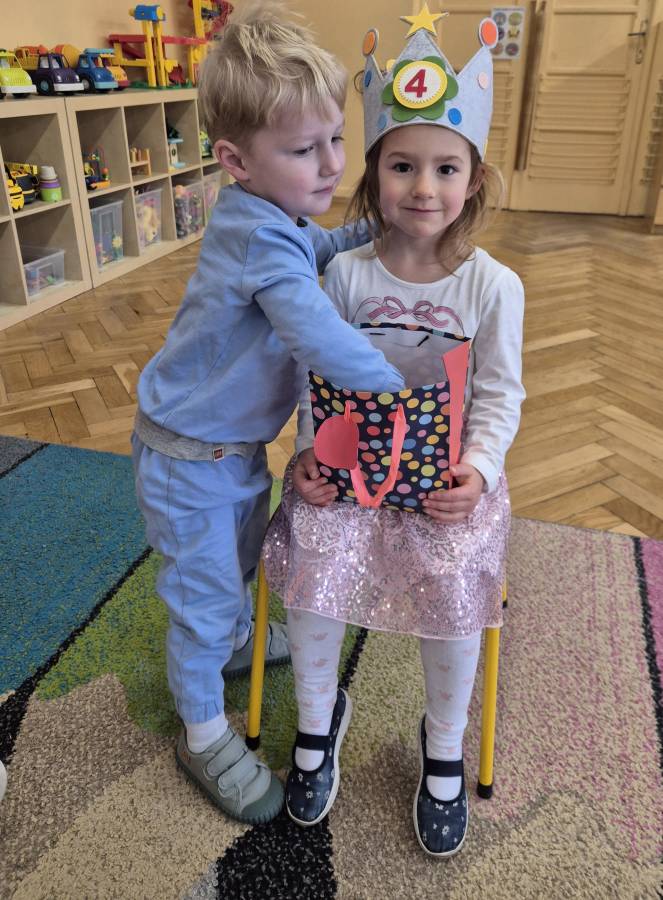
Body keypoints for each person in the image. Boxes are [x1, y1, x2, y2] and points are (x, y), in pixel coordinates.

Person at [131, 0, 405, 826]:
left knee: (239, 563)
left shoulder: (265, 216)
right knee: (204, 599)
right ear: (236, 160)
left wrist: (364, 231)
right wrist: (397, 387)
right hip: (189, 461)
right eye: (302, 149)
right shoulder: (259, 238)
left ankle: (237, 642)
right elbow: (313, 331)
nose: (330, 164)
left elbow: (308, 245)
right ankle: (202, 732)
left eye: (335, 139)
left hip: (231, 450)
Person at [263, 7, 525, 855]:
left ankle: (442, 743)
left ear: (473, 179)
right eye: (402, 165)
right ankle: (316, 722)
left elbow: (499, 395)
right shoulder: (343, 275)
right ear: (373, 174)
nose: (423, 188)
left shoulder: (492, 286)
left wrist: (478, 471)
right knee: (314, 559)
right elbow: (317, 380)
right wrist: (309, 454)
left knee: (453, 582)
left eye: (445, 168)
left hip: (445, 487)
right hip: (350, 473)